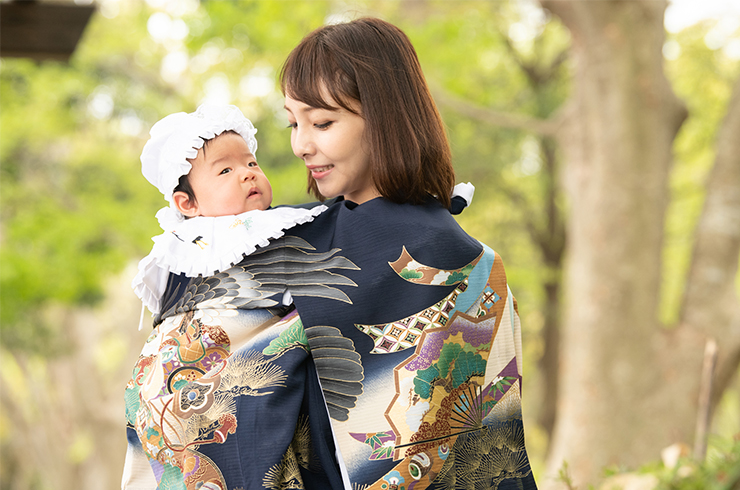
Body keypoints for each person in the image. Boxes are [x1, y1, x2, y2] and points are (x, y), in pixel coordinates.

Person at [280, 17, 538, 489]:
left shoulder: (454, 258)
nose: (301, 143)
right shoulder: (290, 236)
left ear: (383, 117)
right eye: (293, 122)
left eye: (321, 122)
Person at [122, 104, 343, 490]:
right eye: (225, 170)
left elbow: (343, 221)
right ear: (186, 204)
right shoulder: (178, 249)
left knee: (251, 443)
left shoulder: (279, 224)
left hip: (240, 379)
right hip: (176, 375)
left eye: (252, 163)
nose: (247, 173)